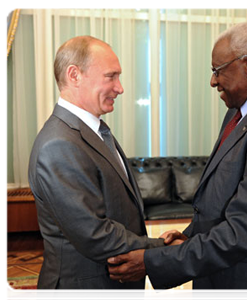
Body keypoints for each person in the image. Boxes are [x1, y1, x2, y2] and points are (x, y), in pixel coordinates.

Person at [108, 22, 247, 300]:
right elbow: (220, 198)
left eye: (218, 71)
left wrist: (152, 262)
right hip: (222, 274)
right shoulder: (241, 111)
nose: (213, 81)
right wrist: (188, 237)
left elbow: (242, 230)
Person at [28, 36, 166, 300]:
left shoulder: (94, 131)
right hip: (86, 290)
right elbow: (94, 234)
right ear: (74, 75)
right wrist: (162, 248)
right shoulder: (59, 144)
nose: (120, 88)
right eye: (110, 76)